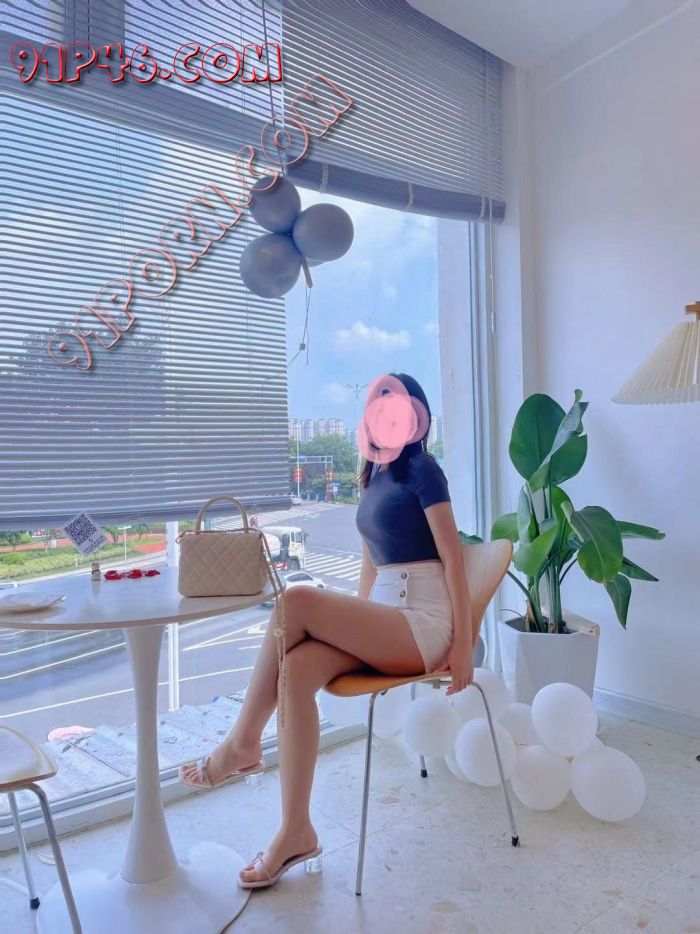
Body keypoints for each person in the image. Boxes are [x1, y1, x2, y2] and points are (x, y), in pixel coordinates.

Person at [179, 373, 474, 889]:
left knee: (294, 599)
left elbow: (453, 559)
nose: (384, 411)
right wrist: (348, 624)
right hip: (385, 619)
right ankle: (296, 831)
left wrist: (464, 644)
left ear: (415, 415)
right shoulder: (373, 477)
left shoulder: (424, 470)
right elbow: (369, 568)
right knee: (297, 666)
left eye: (395, 402)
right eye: (378, 402)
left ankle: (241, 744)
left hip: (423, 621)